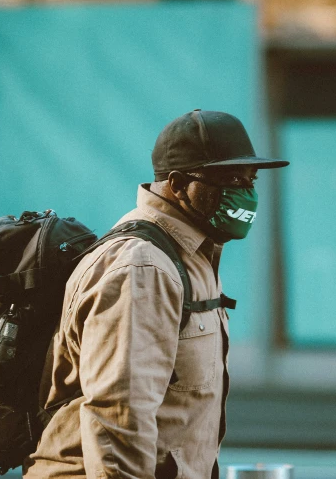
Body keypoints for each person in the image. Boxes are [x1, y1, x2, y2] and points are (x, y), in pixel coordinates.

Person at [24, 110, 289, 478]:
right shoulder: (143, 268)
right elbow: (118, 420)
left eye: (250, 179)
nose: (245, 191)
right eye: (229, 178)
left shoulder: (191, 255)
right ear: (178, 184)